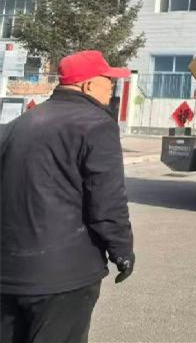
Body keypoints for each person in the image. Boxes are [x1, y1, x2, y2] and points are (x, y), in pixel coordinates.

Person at [1, 50, 135, 343]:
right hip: (63, 280)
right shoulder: (97, 125)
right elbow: (107, 202)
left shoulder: (21, 123)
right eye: (108, 80)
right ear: (88, 85)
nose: (112, 88)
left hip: (9, 275)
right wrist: (122, 250)